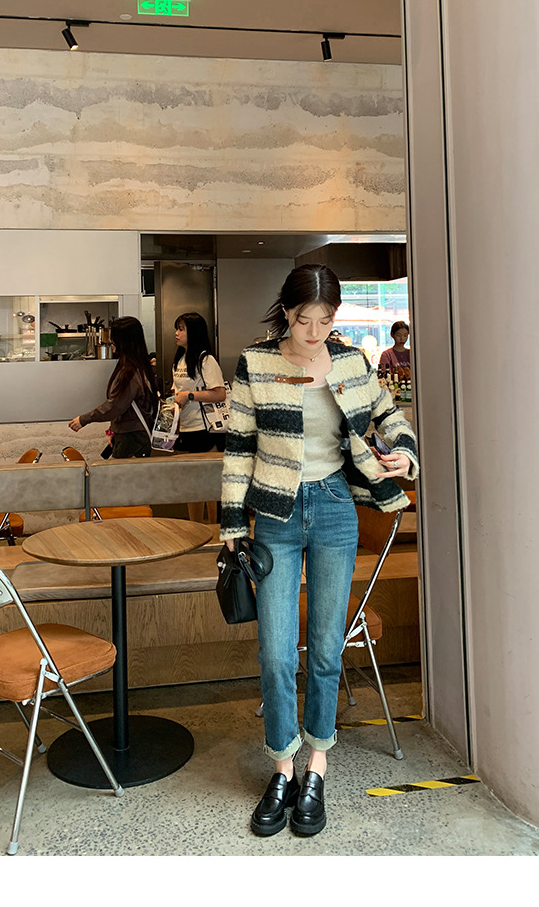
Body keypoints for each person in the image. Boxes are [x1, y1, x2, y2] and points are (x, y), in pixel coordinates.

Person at [220, 264, 418, 838]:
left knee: (328, 648)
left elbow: (389, 415)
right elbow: (238, 447)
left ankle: (316, 768)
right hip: (274, 516)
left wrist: (405, 453)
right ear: (286, 312)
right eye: (304, 319)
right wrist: (232, 523)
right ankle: (281, 767)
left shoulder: (352, 362)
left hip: (334, 508)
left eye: (325, 321)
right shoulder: (256, 363)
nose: (313, 332)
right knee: (277, 653)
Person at [68, 316, 159, 458]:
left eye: (113, 337)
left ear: (123, 341)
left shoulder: (129, 372)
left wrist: (84, 419)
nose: (110, 341)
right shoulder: (138, 366)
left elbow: (114, 406)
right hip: (131, 436)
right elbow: (124, 406)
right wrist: (113, 430)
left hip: (132, 439)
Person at [171, 312, 227, 454]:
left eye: (181, 329)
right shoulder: (179, 360)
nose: (176, 333)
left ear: (194, 332)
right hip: (183, 426)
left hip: (204, 427)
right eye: (177, 329)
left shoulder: (206, 360)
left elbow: (220, 394)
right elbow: (176, 391)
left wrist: (189, 395)